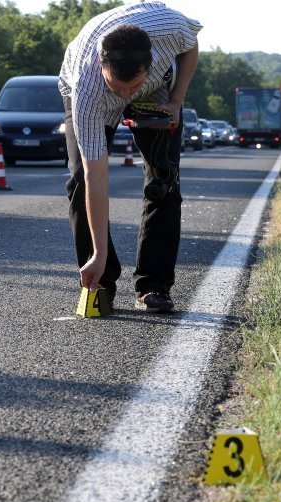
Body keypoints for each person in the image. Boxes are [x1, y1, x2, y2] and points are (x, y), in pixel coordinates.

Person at [59, 1, 201, 313]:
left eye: (131, 86)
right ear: (101, 63)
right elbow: (97, 176)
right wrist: (98, 252)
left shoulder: (171, 28)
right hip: (90, 94)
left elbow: (192, 47)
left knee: (164, 180)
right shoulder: (89, 87)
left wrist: (176, 101)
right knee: (82, 181)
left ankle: (153, 286)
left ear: (151, 63)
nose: (125, 96)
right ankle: (100, 279)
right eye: (117, 86)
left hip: (156, 94)